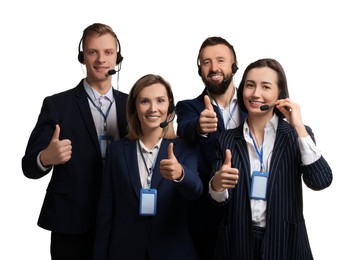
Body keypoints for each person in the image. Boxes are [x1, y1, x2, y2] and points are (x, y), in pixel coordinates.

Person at [21, 23, 128, 260]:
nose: (101, 59)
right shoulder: (57, 105)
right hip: (71, 223)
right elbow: (28, 166)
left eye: (108, 52)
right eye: (93, 52)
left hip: (121, 219)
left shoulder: (134, 105)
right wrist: (45, 158)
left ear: (118, 58)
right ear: (82, 57)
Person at [210, 58, 333, 260]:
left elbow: (320, 181)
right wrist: (217, 185)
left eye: (265, 87)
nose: (256, 93)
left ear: (279, 94)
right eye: (250, 85)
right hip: (237, 241)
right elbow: (218, 203)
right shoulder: (226, 139)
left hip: (286, 241)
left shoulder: (296, 135)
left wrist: (299, 127)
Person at [93, 74, 203, 260]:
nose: (153, 108)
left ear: (169, 105)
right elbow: (106, 212)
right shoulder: (117, 152)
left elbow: (196, 191)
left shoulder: (185, 148)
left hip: (172, 251)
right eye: (145, 101)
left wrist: (180, 174)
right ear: (135, 107)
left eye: (160, 101)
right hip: (125, 252)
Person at [175, 36, 246, 259]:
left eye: (220, 60)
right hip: (208, 222)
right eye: (206, 62)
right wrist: (200, 126)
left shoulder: (254, 102)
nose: (214, 67)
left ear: (234, 65)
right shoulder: (189, 107)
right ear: (199, 69)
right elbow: (185, 128)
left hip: (252, 217)